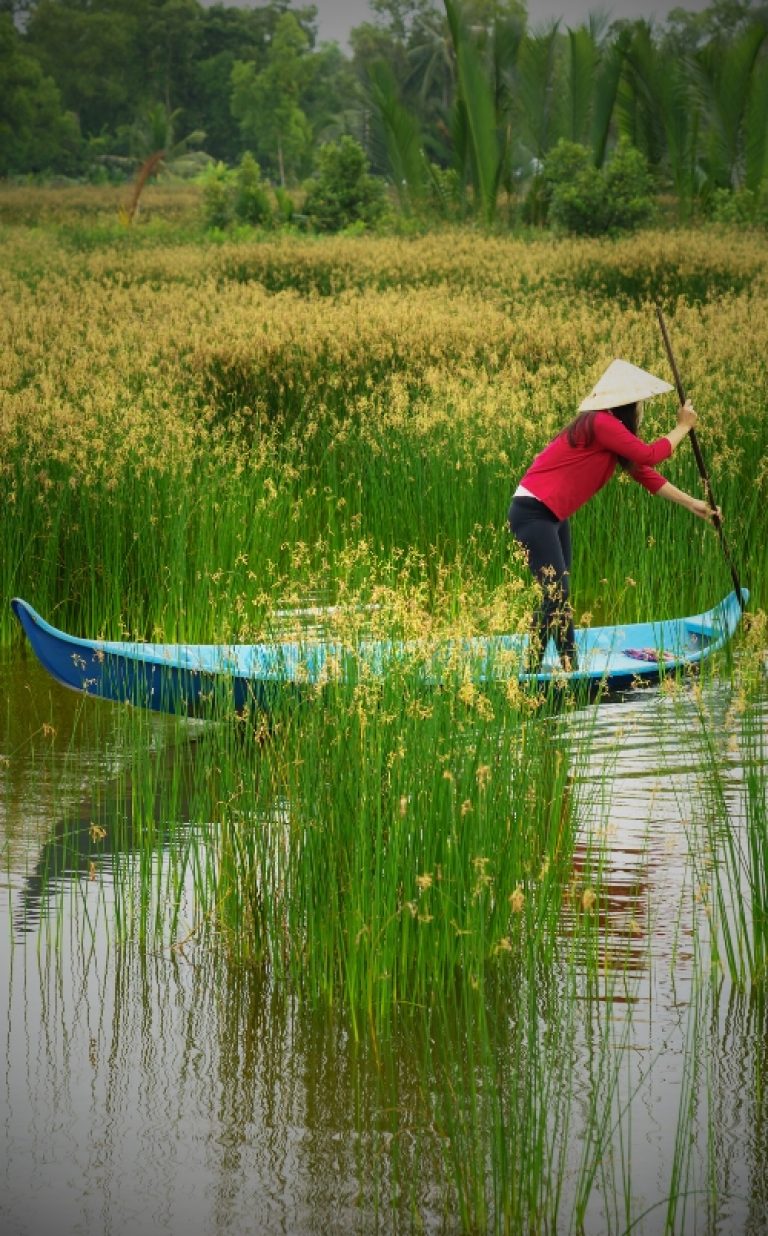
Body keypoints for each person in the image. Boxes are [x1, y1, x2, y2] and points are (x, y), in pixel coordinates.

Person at [508, 359, 719, 671]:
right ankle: (531, 671)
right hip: (533, 512)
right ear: (628, 404)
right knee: (556, 591)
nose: (642, 410)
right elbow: (649, 454)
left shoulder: (608, 431)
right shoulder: (601, 423)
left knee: (561, 594)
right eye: (641, 404)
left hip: (554, 515)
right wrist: (683, 427)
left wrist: (692, 504)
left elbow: (645, 473)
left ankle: (570, 668)